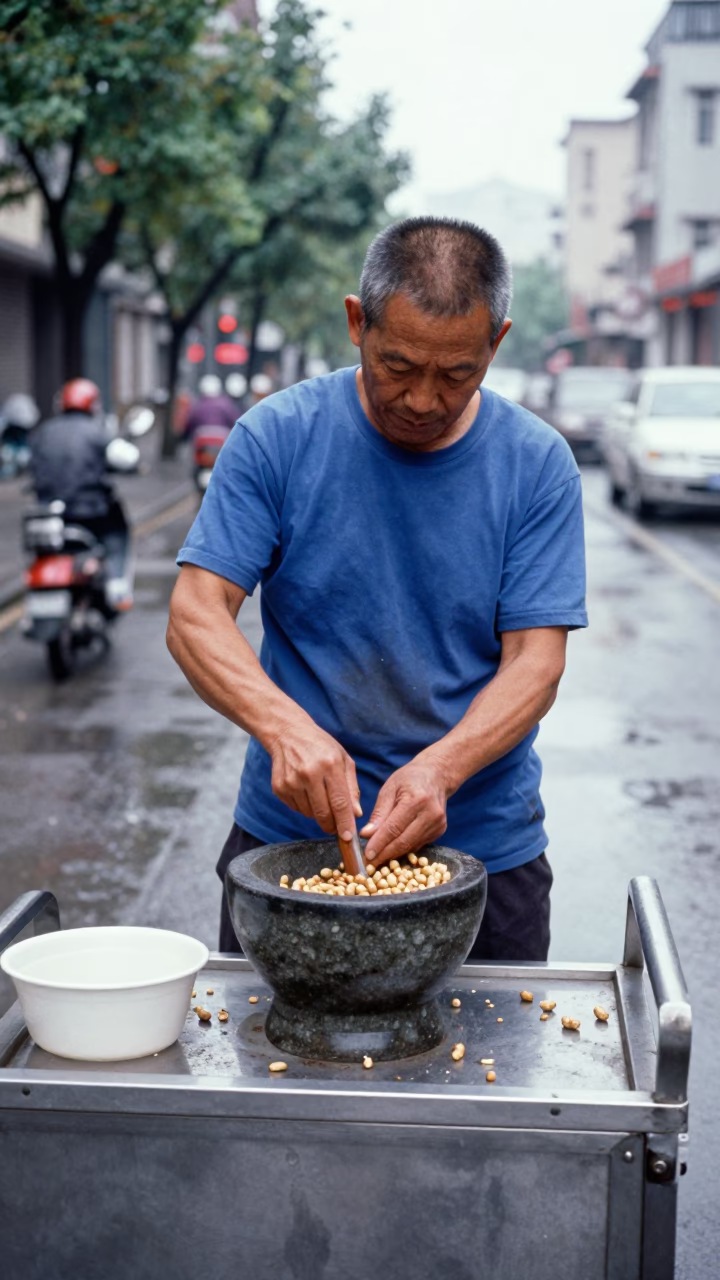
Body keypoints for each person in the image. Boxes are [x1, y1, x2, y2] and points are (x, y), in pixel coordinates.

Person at [167, 217, 588, 960]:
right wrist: (285, 729)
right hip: (289, 846)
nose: (423, 399)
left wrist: (441, 770)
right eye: (398, 365)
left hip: (485, 850)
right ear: (357, 322)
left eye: (457, 373)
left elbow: (536, 662)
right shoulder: (276, 437)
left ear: (496, 342)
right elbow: (196, 614)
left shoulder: (537, 463)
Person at [29, 378, 132, 606]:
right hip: (90, 511)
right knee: (117, 534)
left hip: (48, 512)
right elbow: (127, 457)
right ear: (93, 404)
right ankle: (117, 587)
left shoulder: (44, 431)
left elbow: (31, 463)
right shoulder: (97, 432)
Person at [182, 374, 239, 439]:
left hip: (201, 437)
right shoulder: (226, 403)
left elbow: (191, 422)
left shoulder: (199, 404)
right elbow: (234, 420)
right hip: (222, 437)